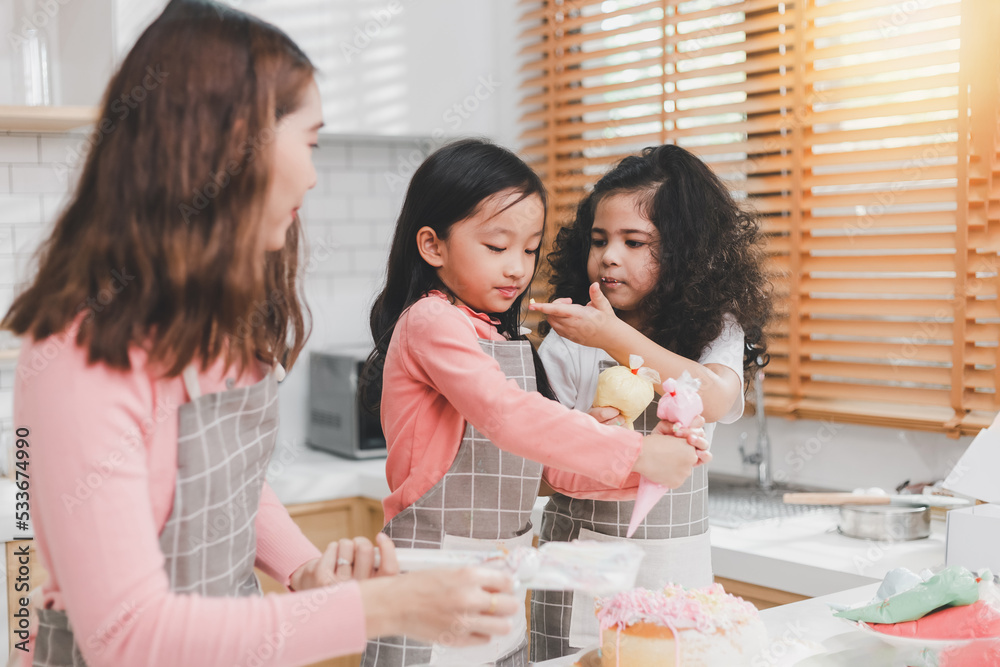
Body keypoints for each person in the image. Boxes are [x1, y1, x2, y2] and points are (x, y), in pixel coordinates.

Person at [3, 2, 522, 665]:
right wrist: (386, 606)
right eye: (308, 142)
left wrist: (305, 570)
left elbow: (227, 489)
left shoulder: (213, 328)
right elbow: (126, 636)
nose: (312, 173)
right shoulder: (80, 354)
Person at [357, 138, 708, 666]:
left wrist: (655, 464)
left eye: (529, 249)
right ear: (432, 246)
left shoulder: (504, 339)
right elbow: (506, 416)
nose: (518, 268)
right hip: (430, 587)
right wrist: (636, 454)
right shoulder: (431, 322)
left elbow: (551, 468)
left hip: (497, 597)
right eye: (497, 247)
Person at [527, 144, 772, 660]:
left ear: (686, 253)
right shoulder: (570, 340)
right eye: (599, 240)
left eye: (634, 242)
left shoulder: (715, 329)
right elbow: (538, 465)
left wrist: (612, 336)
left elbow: (714, 396)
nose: (610, 255)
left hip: (674, 574)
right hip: (580, 575)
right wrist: (588, 434)